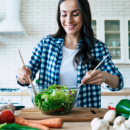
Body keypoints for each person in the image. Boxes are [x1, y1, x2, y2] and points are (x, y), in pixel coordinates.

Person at [17, 0, 124, 108]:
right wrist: (22, 76)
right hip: (50, 115)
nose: (69, 20)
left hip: (85, 118)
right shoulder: (46, 44)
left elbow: (119, 83)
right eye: (64, 14)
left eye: (75, 14)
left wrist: (105, 77)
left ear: (84, 15)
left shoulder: (98, 47)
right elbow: (27, 76)